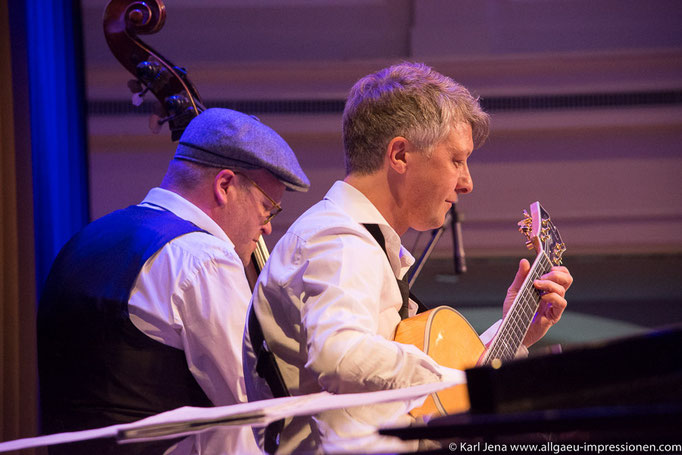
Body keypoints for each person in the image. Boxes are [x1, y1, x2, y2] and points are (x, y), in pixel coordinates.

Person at [243, 62, 573, 453]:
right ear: (399, 155)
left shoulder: (359, 242)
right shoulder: (340, 239)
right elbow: (340, 354)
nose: (467, 182)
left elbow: (419, 384)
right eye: (456, 160)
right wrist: (453, 379)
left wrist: (515, 329)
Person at [37, 108, 310, 454]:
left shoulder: (84, 240)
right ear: (225, 185)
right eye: (267, 208)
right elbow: (253, 400)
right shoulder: (203, 257)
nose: (267, 226)